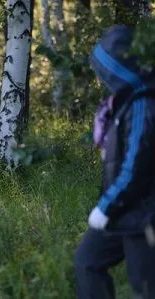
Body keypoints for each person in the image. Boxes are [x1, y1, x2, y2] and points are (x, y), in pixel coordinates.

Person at [74, 25, 155, 299]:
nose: (102, 78)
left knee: (145, 288)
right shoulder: (124, 101)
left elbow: (137, 165)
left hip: (143, 214)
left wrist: (106, 207)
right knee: (87, 262)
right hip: (124, 211)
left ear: (117, 65)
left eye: (105, 71)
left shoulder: (142, 101)